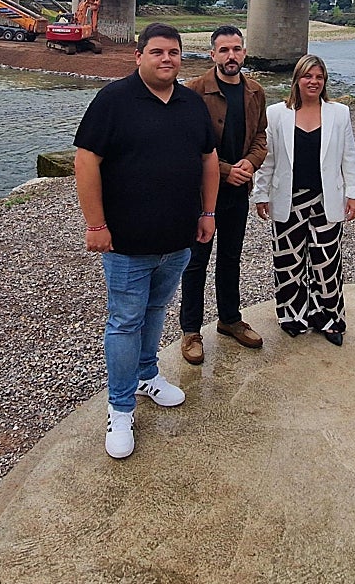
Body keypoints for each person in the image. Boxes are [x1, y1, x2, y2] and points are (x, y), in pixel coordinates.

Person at [74, 23, 219, 458]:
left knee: (155, 311)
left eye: (173, 52)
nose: (167, 59)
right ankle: (119, 409)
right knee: (124, 321)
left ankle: (146, 375)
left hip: (177, 239)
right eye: (157, 52)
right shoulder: (114, 100)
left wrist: (208, 213)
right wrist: (96, 224)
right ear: (139, 56)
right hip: (126, 244)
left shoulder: (192, 104)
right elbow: (86, 161)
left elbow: (209, 160)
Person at [251, 54, 355, 345]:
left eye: (319, 77)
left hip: (327, 199)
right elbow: (268, 161)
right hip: (288, 199)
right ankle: (292, 315)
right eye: (308, 76)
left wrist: (354, 193)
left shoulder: (339, 113)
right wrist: (261, 194)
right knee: (288, 260)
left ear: (325, 81)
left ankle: (329, 318)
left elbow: (349, 157)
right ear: (296, 80)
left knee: (327, 262)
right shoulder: (276, 114)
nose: (313, 82)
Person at [178, 25, 269, 365]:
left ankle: (230, 319)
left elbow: (261, 136)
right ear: (213, 54)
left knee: (231, 257)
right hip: (203, 193)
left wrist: (250, 164)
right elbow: (188, 145)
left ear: (244, 52)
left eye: (237, 49)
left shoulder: (255, 92)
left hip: (238, 192)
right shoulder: (194, 91)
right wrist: (230, 170)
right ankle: (190, 331)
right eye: (224, 50)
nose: (231, 56)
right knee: (196, 262)